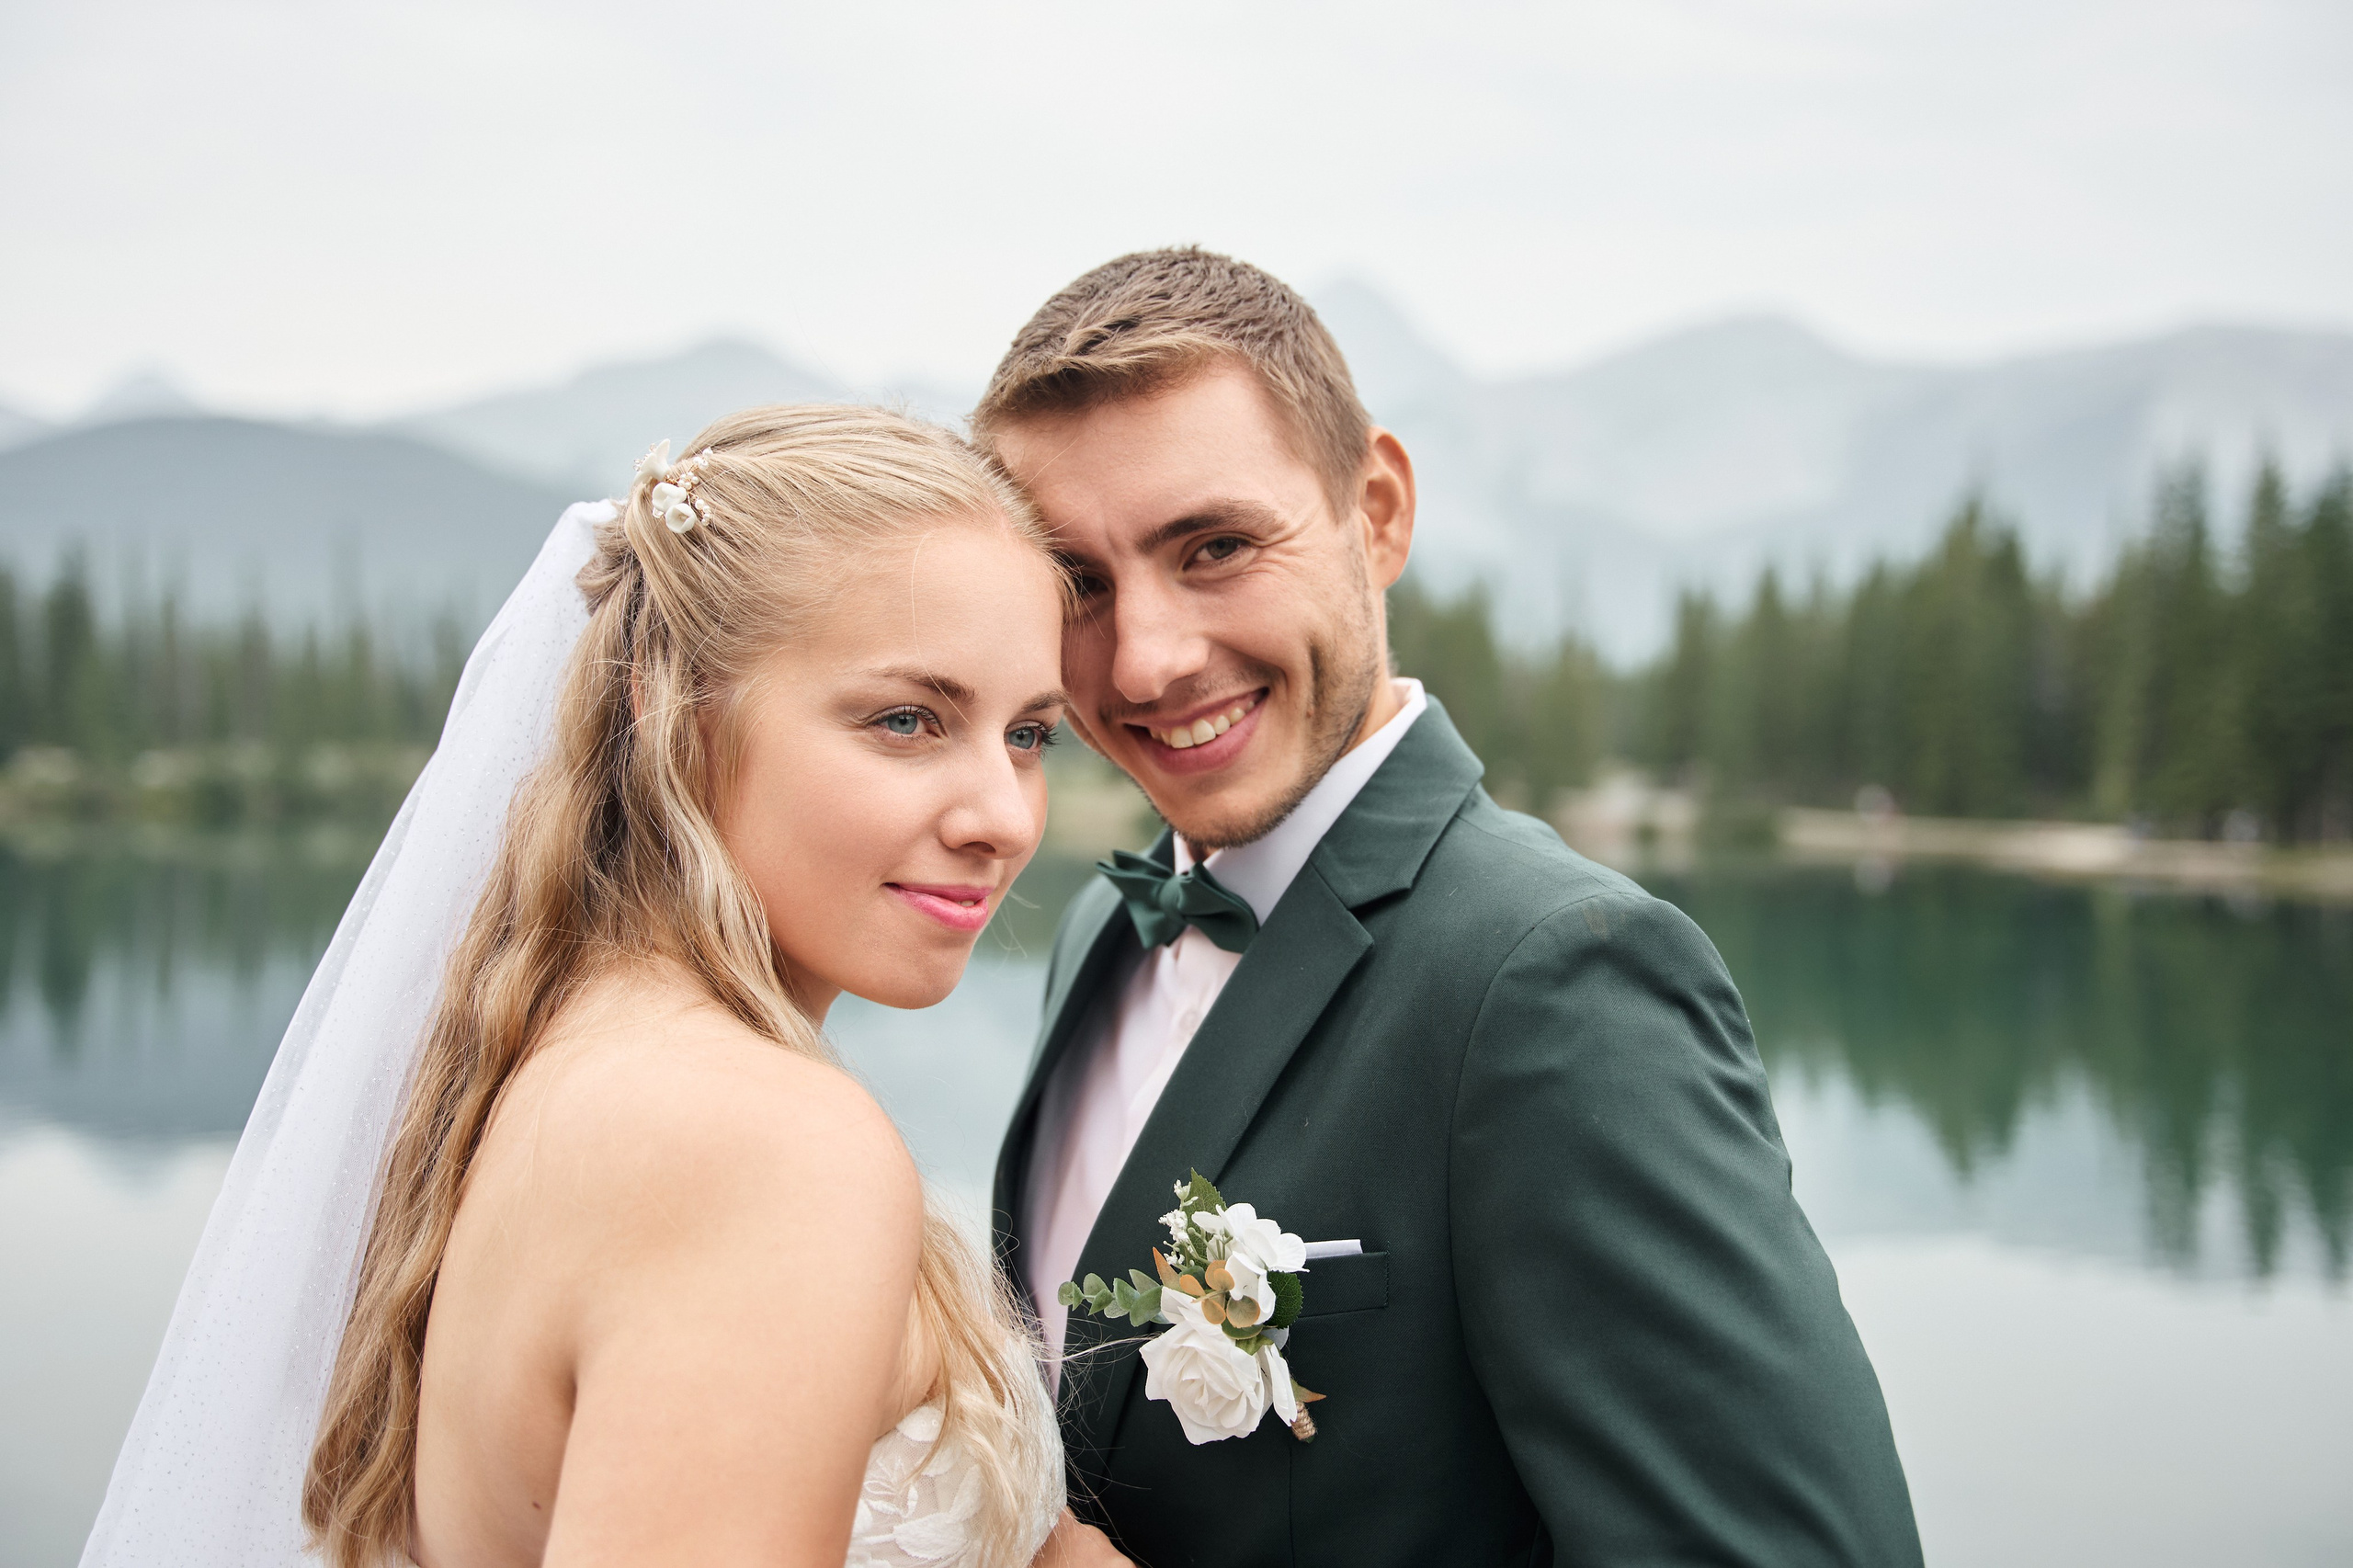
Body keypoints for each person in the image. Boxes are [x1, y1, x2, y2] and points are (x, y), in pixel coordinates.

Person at [982, 250, 1925, 1564]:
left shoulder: (1562, 983)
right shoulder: (1098, 931)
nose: (1145, 655)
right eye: (1080, 583)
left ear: (1376, 511)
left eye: (1216, 547)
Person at [83, 406, 1122, 1568]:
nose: (1003, 816)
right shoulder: (758, 1145)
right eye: (904, 719)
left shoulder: (545, 1057)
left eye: (1033, 735)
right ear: (670, 709)